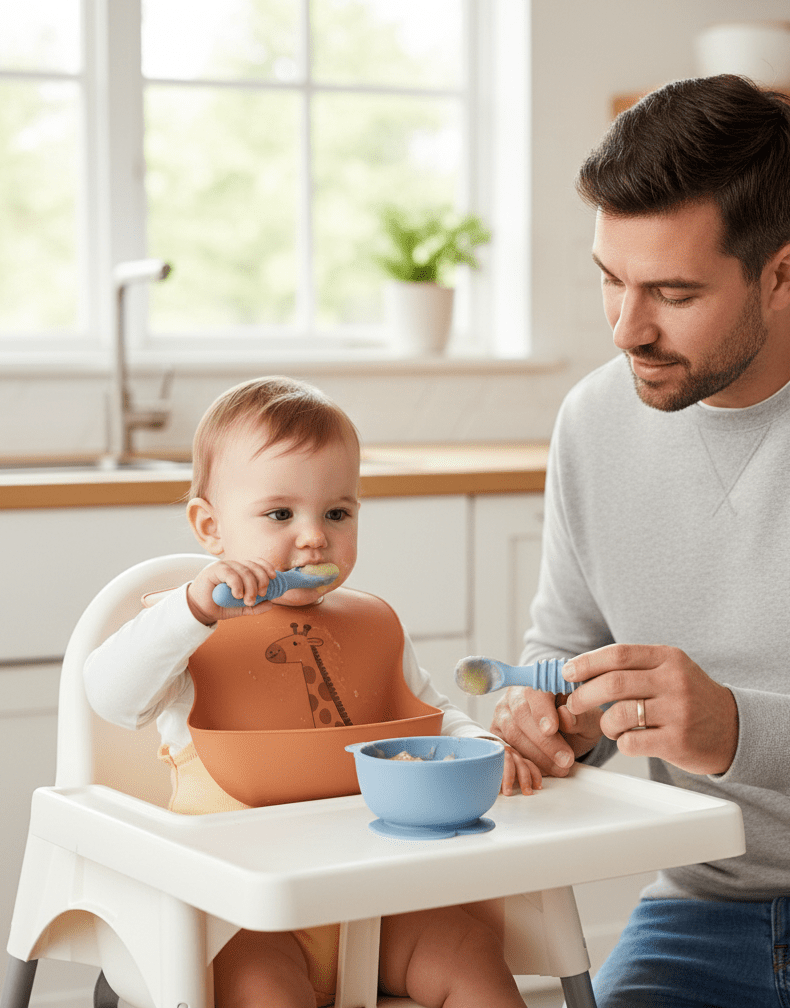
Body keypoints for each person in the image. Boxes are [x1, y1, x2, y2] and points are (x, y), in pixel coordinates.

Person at [490, 75, 790, 1008]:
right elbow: (562, 648)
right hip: (700, 901)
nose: (627, 329)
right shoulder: (593, 421)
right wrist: (552, 715)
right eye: (610, 278)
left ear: (784, 272)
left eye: (673, 293)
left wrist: (738, 730)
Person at [85, 375, 540, 1008]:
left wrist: (484, 746)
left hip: (371, 896)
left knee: (468, 950)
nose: (314, 536)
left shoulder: (372, 625)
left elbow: (432, 718)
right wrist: (191, 609)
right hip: (240, 912)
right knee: (262, 987)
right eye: (280, 514)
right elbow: (110, 697)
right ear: (210, 527)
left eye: (337, 512)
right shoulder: (188, 629)